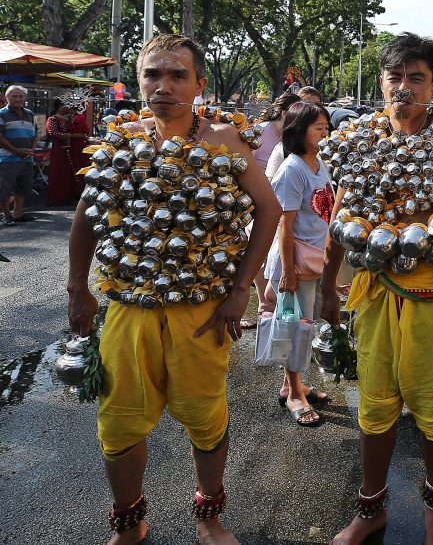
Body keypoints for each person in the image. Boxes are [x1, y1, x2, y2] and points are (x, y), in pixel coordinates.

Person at [66, 34, 280, 545]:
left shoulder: (226, 140)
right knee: (118, 425)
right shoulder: (121, 139)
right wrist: (78, 287)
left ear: (199, 84)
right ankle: (128, 522)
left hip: (202, 311)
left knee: (205, 419)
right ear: (137, 81)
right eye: (152, 75)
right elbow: (85, 219)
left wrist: (240, 290)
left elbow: (269, 211)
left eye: (177, 75)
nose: (163, 86)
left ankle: (209, 519)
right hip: (127, 309)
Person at [321, 32, 433, 545]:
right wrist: (332, 285)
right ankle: (370, 508)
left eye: (415, 78)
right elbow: (343, 214)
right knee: (374, 407)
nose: (404, 87)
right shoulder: (358, 140)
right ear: (381, 82)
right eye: (395, 77)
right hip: (377, 297)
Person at [265, 101, 334, 426]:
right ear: (298, 130)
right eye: (318, 127)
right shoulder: (292, 169)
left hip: (314, 259)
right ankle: (294, 394)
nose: (325, 131)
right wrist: (289, 272)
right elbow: (284, 225)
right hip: (297, 262)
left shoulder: (319, 163)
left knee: (303, 325)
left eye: (325, 126)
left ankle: (291, 384)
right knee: (296, 328)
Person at [240, 93, 301, 329]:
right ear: (285, 113)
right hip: (257, 197)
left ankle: (270, 302)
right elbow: (242, 163)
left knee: (274, 251)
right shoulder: (260, 132)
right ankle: (263, 303)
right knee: (258, 250)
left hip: (281, 199)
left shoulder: (292, 136)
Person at [0, 85, 38, 225]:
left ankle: (18, 213)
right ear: (6, 97)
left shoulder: (29, 113)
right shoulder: (2, 114)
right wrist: (17, 151)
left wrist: (31, 150)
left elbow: (36, 133)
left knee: (23, 187)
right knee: (5, 187)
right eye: (13, 96)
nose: (17, 99)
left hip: (27, 158)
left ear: (25, 98)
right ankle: (6, 215)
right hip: (7, 158)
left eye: (20, 96)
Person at [45, 98, 92, 206]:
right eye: (65, 105)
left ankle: (73, 195)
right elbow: (53, 133)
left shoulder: (71, 118)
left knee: (73, 172)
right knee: (61, 172)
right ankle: (60, 198)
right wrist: (73, 136)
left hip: (73, 150)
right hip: (60, 150)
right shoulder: (52, 119)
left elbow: (82, 129)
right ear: (59, 106)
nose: (68, 107)